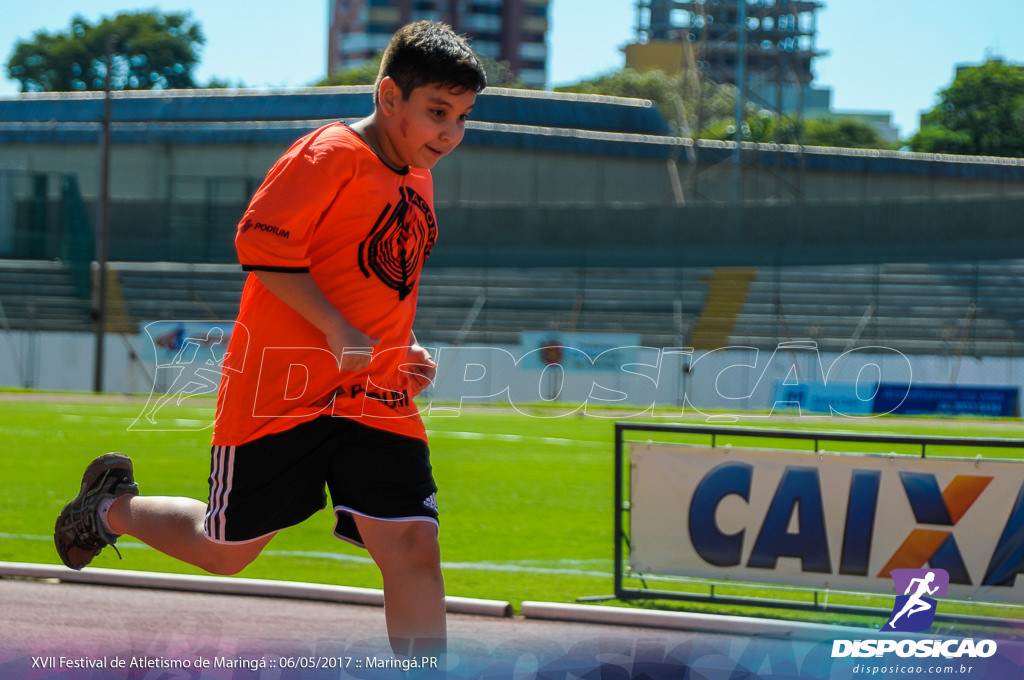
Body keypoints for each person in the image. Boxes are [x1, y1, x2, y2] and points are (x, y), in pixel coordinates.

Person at [54, 20, 486, 658]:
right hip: (277, 391)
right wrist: (337, 328)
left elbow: (372, 274)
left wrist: (406, 342)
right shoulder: (329, 153)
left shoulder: (416, 174)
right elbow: (258, 245)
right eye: (437, 112)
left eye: (463, 117)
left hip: (373, 395)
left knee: (414, 549)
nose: (450, 132)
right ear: (389, 96)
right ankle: (110, 507)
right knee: (226, 552)